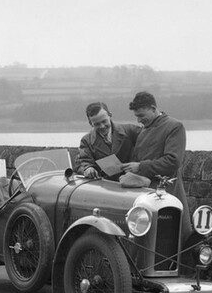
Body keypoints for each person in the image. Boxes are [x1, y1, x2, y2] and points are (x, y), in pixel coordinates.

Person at [121, 91, 192, 237]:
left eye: (141, 116)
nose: (139, 120)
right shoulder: (144, 130)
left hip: (167, 192)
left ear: (153, 108)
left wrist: (140, 166)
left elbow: (173, 161)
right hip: (144, 194)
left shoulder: (174, 126)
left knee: (172, 238)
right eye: (137, 117)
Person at [75, 102, 141, 180]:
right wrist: (88, 169)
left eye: (104, 121)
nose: (102, 126)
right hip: (106, 187)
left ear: (110, 115)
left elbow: (151, 142)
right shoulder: (86, 141)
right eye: (97, 124)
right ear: (90, 123)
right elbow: (82, 162)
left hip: (133, 183)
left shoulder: (131, 131)